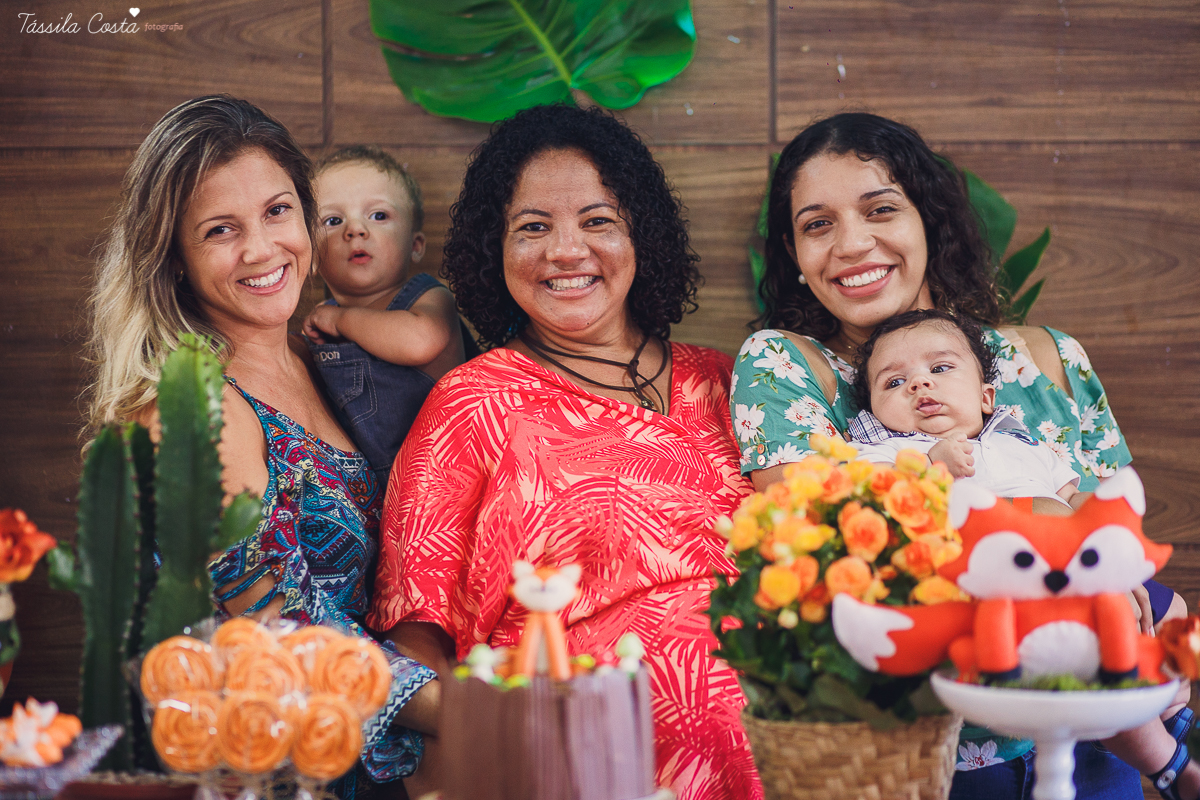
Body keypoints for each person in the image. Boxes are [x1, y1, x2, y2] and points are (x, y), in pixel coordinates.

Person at [729, 111, 1192, 800]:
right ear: (793, 256)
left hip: (1097, 726)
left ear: (928, 223)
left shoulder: (1048, 356)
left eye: (880, 208)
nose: (853, 243)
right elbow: (827, 553)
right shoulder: (786, 367)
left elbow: (1115, 520)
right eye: (817, 224)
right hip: (942, 753)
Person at [367, 104, 763, 800]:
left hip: (802, 751)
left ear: (643, 235)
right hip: (576, 768)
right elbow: (413, 649)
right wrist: (523, 739)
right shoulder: (472, 403)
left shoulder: (733, 381)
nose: (565, 251)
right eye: (532, 228)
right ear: (495, 249)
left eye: (597, 221)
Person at [85, 95, 438, 798]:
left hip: (373, 750)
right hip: (275, 774)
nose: (261, 248)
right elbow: (282, 627)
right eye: (220, 230)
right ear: (175, 260)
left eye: (277, 211)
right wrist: (465, 709)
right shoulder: (196, 408)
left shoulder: (326, 362)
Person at [302, 146, 474, 485]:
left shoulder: (428, 298)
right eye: (333, 221)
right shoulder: (325, 319)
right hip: (366, 491)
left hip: (440, 482)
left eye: (378, 216)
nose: (355, 230)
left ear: (416, 244)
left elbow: (419, 341)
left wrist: (341, 321)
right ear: (312, 257)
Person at [849, 309, 1082, 508]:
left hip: (1059, 543)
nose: (919, 383)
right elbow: (874, 492)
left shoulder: (1024, 443)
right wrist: (931, 465)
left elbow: (1071, 497)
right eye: (895, 382)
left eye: (939, 368)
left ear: (985, 398)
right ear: (874, 410)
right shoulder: (885, 451)